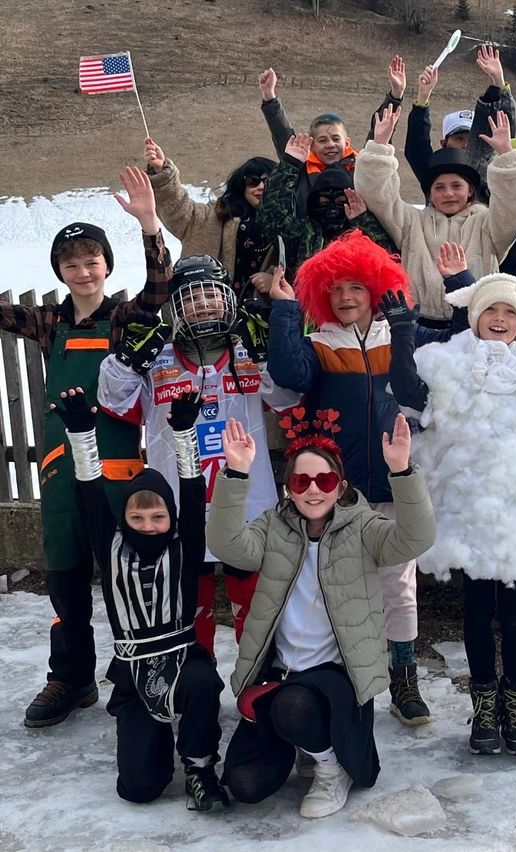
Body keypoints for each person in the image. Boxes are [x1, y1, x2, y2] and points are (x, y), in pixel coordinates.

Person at [384, 269, 516, 756]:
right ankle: (483, 707)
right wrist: (401, 334)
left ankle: (515, 704)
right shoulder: (448, 361)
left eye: (509, 312)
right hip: (472, 513)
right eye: (491, 311)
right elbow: (411, 394)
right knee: (477, 613)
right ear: (475, 317)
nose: (500, 319)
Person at [0, 168, 173, 729]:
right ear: (59, 271)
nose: (82, 270)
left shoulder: (125, 319)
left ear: (106, 265)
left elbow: (159, 292)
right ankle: (70, 677)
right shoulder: (49, 323)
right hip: (57, 473)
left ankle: (132, 671)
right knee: (66, 574)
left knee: (123, 571)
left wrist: (149, 224)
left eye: (91, 260)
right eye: (70, 263)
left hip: (119, 470)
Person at [266, 232, 463, 725]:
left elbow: (464, 344)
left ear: (377, 287)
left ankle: (403, 678)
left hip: (394, 484)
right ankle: (342, 674)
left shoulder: (403, 332)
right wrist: (287, 310)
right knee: (334, 584)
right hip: (335, 492)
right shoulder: (318, 344)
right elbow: (288, 373)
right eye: (335, 289)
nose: (347, 297)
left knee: (398, 587)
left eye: (356, 286)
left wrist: (457, 285)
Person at [207, 416, 436, 817]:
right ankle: (308, 742)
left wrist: (401, 471)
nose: (314, 490)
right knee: (244, 785)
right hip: (279, 675)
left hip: (336, 677)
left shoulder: (364, 527)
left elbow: (416, 539)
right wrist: (236, 473)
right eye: (301, 482)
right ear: (288, 489)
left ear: (341, 486)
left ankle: (332, 765)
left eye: (325, 481)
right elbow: (229, 546)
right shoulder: (272, 526)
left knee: (293, 708)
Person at [98, 255, 299, 658]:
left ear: (228, 299)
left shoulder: (244, 348)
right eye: (193, 297)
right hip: (180, 503)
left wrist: (267, 356)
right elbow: (113, 401)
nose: (204, 303)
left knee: (255, 602)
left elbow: (287, 398)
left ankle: (256, 681)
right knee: (190, 604)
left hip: (248, 504)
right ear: (176, 307)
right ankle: (194, 681)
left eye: (212, 293)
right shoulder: (158, 356)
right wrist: (125, 362)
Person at [52, 387, 228, 811]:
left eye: (157, 516)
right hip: (133, 674)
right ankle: (151, 745)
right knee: (139, 789)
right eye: (137, 517)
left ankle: (199, 767)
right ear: (125, 519)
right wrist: (81, 434)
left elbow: (190, 487)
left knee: (204, 687)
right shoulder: (110, 548)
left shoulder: (184, 544)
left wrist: (184, 432)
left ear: (171, 518)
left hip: (185, 662)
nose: (148, 525)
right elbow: (90, 492)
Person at [355, 105, 516, 326]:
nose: (448, 193)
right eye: (439, 187)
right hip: (418, 323)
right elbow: (378, 194)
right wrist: (380, 146)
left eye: (456, 185)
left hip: (475, 323)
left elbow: (514, 204)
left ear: (470, 191)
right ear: (430, 193)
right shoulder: (411, 221)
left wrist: (506, 156)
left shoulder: (489, 224)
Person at [257, 61, 404, 213]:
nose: (330, 144)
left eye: (336, 139)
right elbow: (282, 134)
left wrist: (396, 94)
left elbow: (378, 135)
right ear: (312, 146)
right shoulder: (301, 168)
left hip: (354, 233)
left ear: (347, 143)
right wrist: (269, 96)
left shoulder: (361, 167)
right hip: (311, 235)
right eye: (322, 140)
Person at [145, 138, 276, 298]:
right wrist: (163, 173)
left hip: (268, 314)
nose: (261, 187)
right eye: (253, 181)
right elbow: (179, 210)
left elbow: (301, 267)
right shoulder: (214, 216)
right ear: (242, 186)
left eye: (268, 181)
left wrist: (275, 280)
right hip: (209, 311)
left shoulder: (293, 225)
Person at [257, 130, 396, 277]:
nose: (332, 208)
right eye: (324, 201)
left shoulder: (362, 231)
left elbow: (387, 258)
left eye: (340, 201)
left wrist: (362, 219)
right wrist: (290, 166)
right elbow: (271, 217)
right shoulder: (304, 232)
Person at [405, 44, 516, 199]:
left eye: (472, 138)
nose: (466, 144)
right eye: (459, 139)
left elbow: (505, 128)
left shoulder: (491, 173)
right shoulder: (433, 171)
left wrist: (498, 81)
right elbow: (416, 148)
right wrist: (423, 96)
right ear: (444, 143)